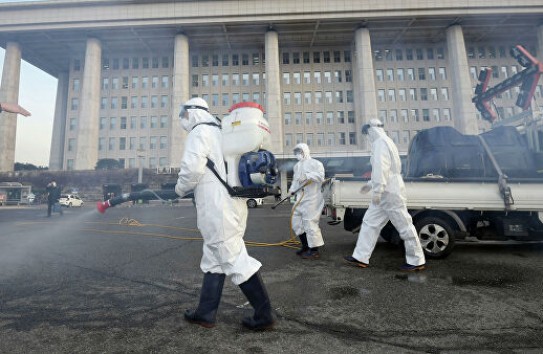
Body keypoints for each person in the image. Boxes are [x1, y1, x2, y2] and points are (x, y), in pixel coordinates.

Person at [174, 97, 274, 331]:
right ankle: (205, 312)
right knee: (213, 257)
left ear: (194, 112)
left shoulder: (199, 132)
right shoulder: (223, 132)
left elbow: (191, 170)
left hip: (216, 206)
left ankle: (264, 314)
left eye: (184, 113)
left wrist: (179, 189)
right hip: (233, 202)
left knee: (231, 256)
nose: (182, 118)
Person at [344, 119, 426, 271]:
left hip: (389, 192)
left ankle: (417, 260)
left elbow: (382, 168)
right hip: (387, 190)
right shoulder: (386, 141)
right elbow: (386, 171)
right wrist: (370, 185)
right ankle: (360, 257)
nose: (366, 137)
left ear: (371, 130)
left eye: (366, 133)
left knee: (403, 224)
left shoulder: (380, 143)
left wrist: (377, 190)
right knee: (369, 223)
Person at [289, 143, 325, 260]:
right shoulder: (297, 166)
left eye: (299, 152)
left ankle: (314, 250)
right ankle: (305, 246)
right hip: (300, 198)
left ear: (305, 151)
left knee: (310, 223)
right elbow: (295, 181)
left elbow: (321, 177)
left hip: (312, 198)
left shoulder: (316, 163)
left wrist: (308, 175)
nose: (298, 155)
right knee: (296, 223)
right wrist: (291, 191)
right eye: (296, 152)